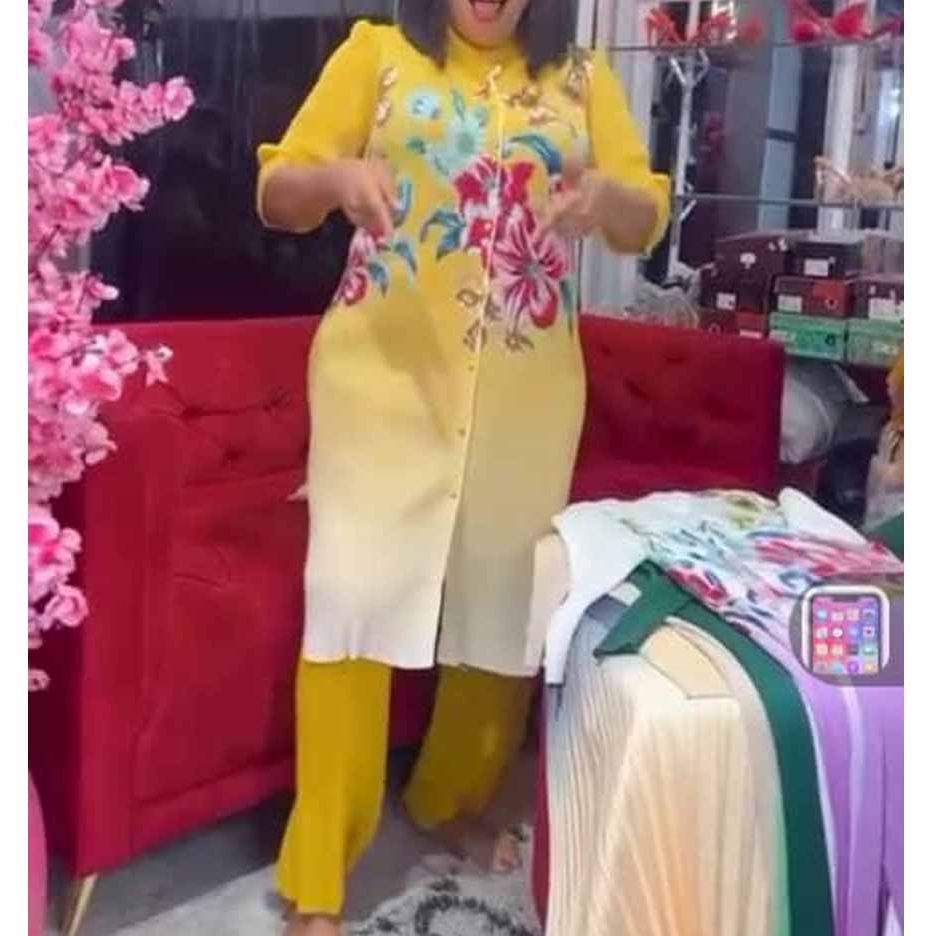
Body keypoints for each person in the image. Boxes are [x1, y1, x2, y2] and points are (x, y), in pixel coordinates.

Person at [256, 2, 669, 933]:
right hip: (381, 383)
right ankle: (318, 876)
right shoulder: (376, 55)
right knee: (350, 601)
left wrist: (606, 200)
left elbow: (644, 213)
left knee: (504, 603)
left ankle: (447, 796)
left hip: (527, 392)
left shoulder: (581, 79)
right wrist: (334, 177)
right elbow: (279, 191)